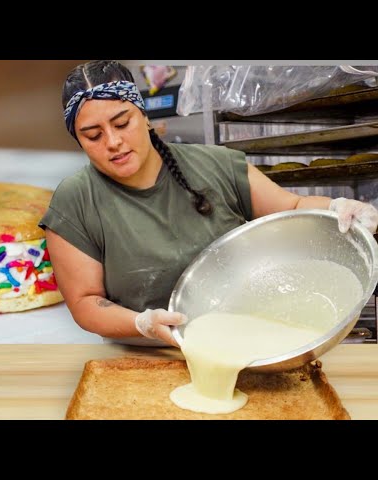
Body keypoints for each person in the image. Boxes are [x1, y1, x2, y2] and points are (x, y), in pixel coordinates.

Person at [39, 60, 378, 348]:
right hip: (142, 359)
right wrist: (142, 323)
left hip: (245, 342)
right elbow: (86, 303)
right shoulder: (75, 201)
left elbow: (291, 209)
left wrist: (337, 208)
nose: (113, 142)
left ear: (142, 115)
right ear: (78, 139)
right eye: (93, 135)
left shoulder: (217, 165)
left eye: (122, 123)